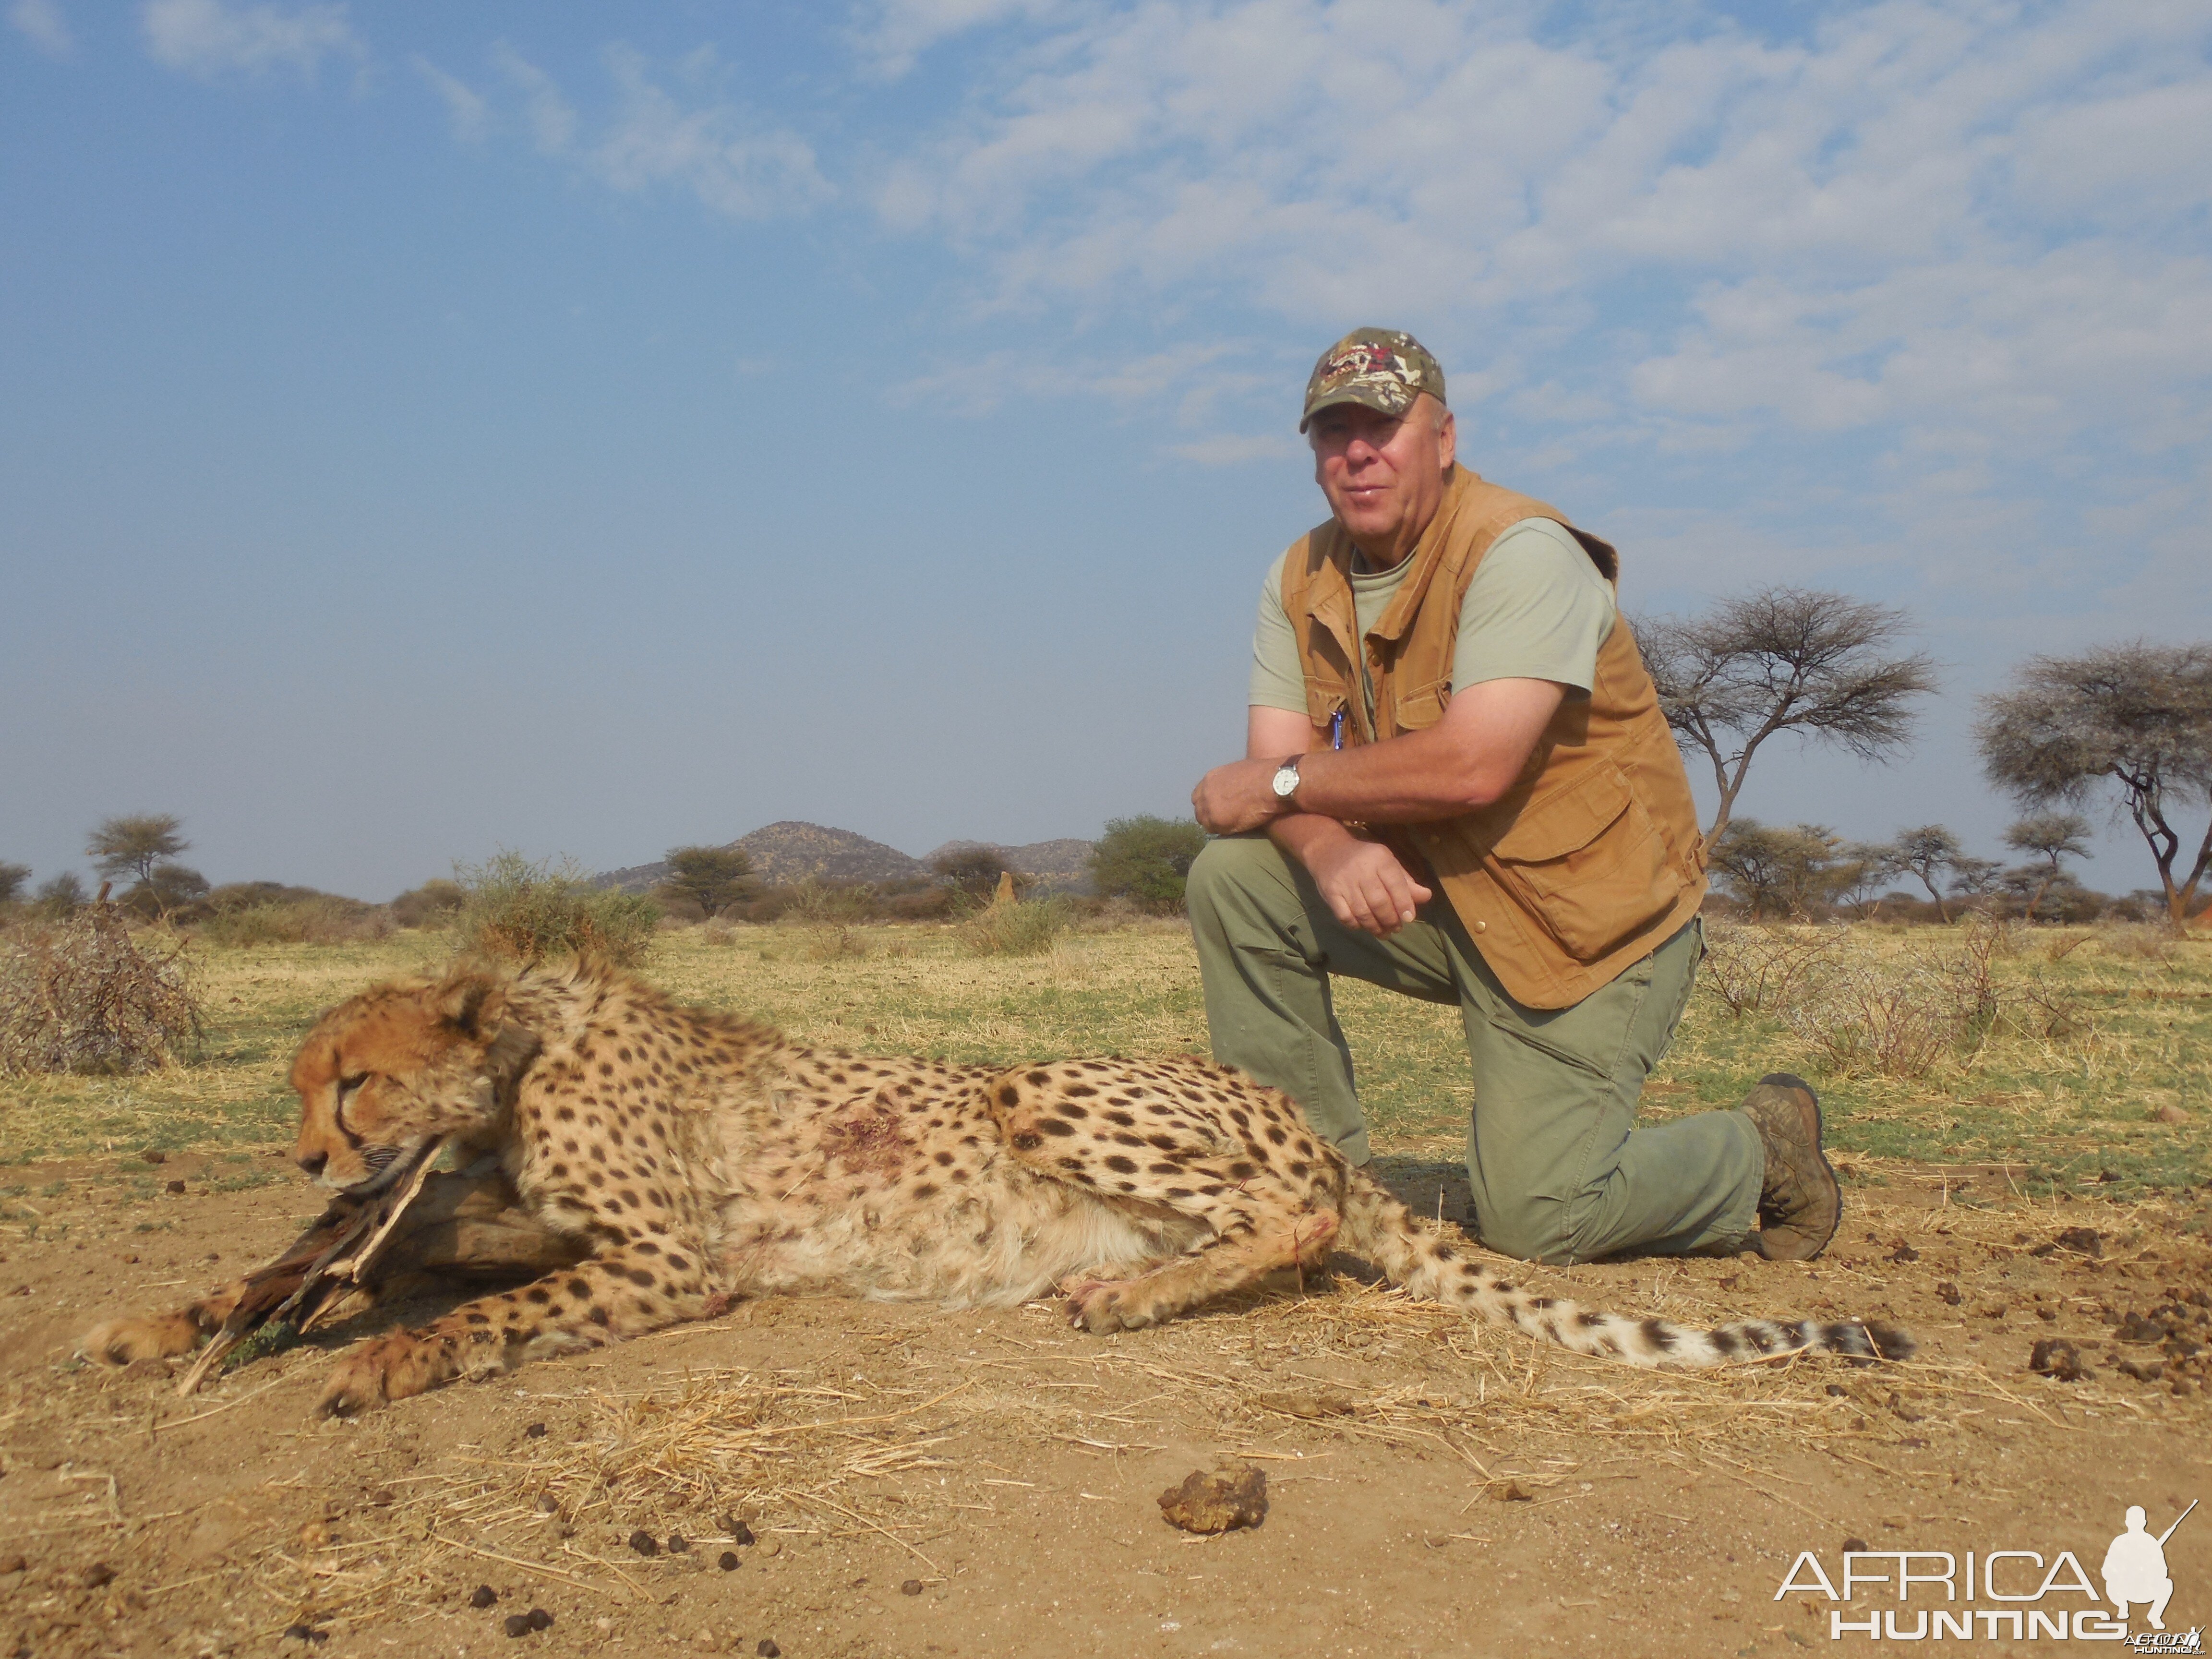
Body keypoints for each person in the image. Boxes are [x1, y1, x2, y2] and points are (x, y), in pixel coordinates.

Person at [1187, 326, 1839, 1266]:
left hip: (1589, 931)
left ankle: (1758, 1149)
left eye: (1381, 426)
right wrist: (1331, 849)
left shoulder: (1523, 552)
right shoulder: (1299, 576)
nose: (1357, 452)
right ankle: (1311, 1191)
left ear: (1442, 439)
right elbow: (1265, 798)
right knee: (1233, 877)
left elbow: (1468, 767)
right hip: (1446, 900)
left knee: (1542, 1218)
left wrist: (1285, 786)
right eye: (1333, 433)